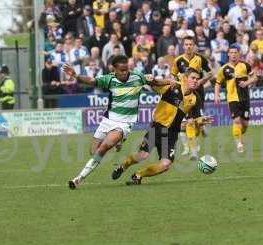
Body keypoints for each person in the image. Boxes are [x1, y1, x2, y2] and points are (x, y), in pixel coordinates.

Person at [62, 55, 171, 189]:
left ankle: (78, 179)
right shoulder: (109, 79)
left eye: (126, 69)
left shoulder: (138, 77)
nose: (125, 72)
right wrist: (75, 75)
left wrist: (170, 81)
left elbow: (156, 82)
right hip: (108, 120)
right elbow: (91, 80)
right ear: (114, 69)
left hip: (125, 123)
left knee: (104, 148)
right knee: (93, 151)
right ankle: (119, 141)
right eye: (122, 70)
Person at [111, 68, 213, 185]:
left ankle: (138, 175)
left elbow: (194, 119)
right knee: (142, 155)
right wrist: (152, 79)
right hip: (157, 127)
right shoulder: (172, 86)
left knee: (165, 164)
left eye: (197, 79)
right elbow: (153, 83)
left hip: (172, 134)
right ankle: (122, 167)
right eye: (193, 78)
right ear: (185, 78)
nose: (195, 81)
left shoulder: (195, 98)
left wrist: (200, 120)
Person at [171, 36, 213, 159]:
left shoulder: (200, 58)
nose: (188, 46)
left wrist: (201, 81)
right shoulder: (178, 60)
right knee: (189, 122)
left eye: (191, 44)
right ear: (183, 46)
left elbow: (210, 73)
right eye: (186, 44)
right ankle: (194, 151)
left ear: (194, 46)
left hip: (198, 93)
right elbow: (172, 75)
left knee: (197, 122)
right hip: (184, 95)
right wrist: (174, 84)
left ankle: (201, 126)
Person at [214, 44, 258, 153]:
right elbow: (218, 82)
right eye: (231, 52)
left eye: (235, 52)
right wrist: (216, 95)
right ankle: (239, 144)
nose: (233, 54)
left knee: (245, 124)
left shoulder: (245, 66)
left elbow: (255, 77)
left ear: (239, 54)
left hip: (245, 98)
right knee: (237, 120)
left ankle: (239, 136)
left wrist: (246, 82)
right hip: (232, 98)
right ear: (228, 54)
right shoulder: (224, 69)